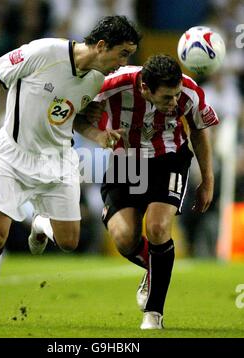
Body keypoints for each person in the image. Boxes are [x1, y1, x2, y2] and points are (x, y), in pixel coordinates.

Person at [0, 15, 141, 326]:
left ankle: (40, 222)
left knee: (70, 242)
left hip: (58, 160)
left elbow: (75, 119)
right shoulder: (44, 52)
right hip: (12, 156)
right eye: (123, 53)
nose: (123, 63)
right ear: (102, 46)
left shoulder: (96, 80)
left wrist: (99, 135)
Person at [79, 54, 219, 329]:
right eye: (167, 98)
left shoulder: (189, 91)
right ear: (145, 88)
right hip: (125, 161)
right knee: (123, 238)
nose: (174, 103)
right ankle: (154, 268)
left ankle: (154, 313)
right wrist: (92, 123)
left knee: (157, 228)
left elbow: (199, 131)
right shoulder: (110, 85)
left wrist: (207, 179)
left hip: (169, 160)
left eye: (176, 95)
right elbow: (76, 114)